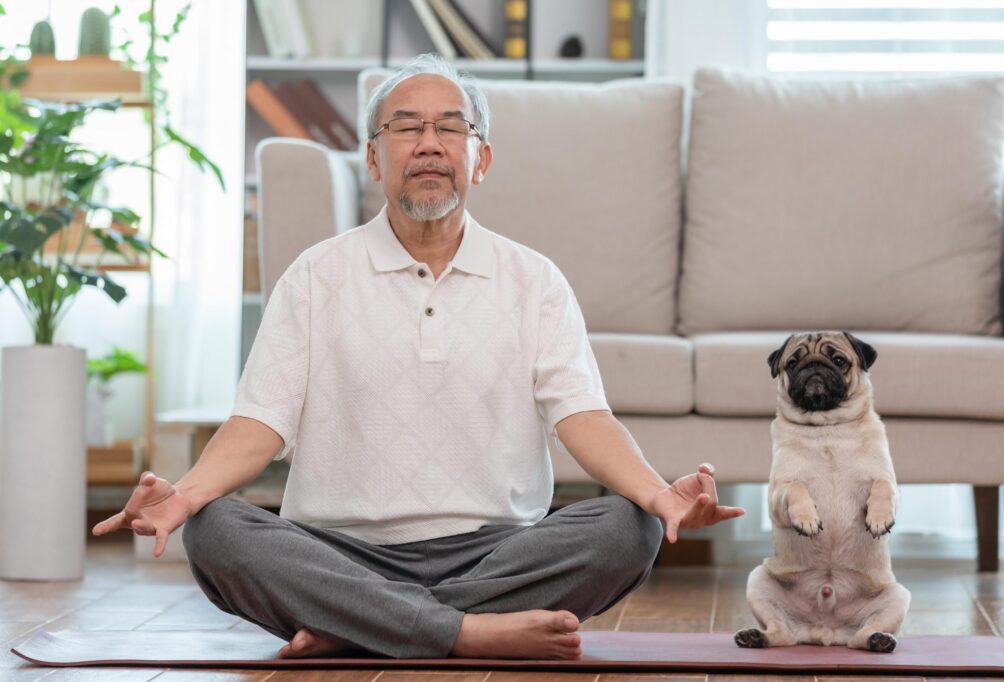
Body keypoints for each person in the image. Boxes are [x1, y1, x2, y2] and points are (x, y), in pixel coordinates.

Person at [93, 54, 744, 661]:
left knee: (630, 528)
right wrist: (185, 496)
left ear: (481, 159)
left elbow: (585, 418)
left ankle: (360, 627)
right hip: (340, 553)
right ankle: (467, 632)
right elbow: (259, 422)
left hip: (496, 553)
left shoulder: (535, 280)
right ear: (372, 159)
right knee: (214, 532)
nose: (429, 143)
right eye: (406, 128)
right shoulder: (315, 276)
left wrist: (659, 495)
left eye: (450, 128)